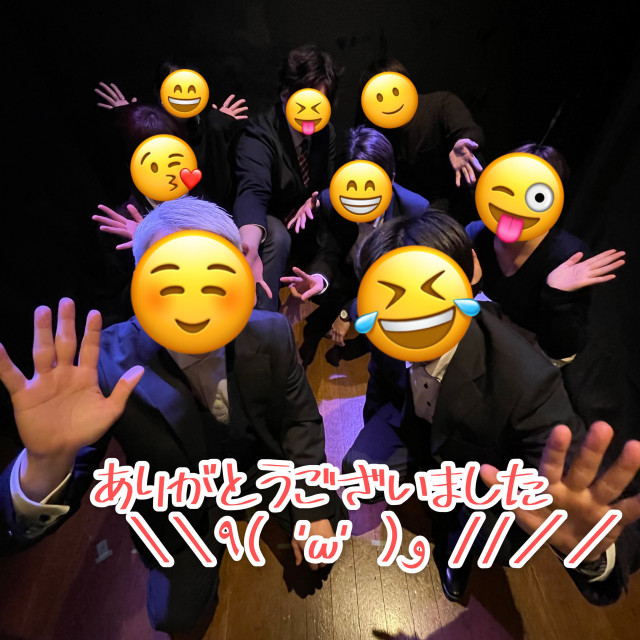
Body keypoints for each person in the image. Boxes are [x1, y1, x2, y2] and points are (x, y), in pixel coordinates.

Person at [0, 197, 344, 634]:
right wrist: (44, 467)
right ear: (141, 279)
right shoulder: (106, 363)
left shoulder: (270, 330)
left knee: (326, 534)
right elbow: (37, 503)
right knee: (174, 615)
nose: (193, 301)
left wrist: (311, 505)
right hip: (180, 498)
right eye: (171, 281)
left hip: (261, 470)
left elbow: (300, 420)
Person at [343, 212, 640, 604]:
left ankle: (457, 547)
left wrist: (590, 553)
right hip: (412, 426)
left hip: (482, 471)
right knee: (358, 471)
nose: (409, 315)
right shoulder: (380, 323)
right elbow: (381, 382)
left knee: (483, 539)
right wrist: (377, 429)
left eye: (429, 292)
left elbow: (565, 475)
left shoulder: (525, 377)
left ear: (471, 273)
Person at [281, 125, 429, 367]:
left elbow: (403, 279)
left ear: (391, 178)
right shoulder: (331, 201)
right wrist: (318, 278)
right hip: (349, 276)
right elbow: (329, 251)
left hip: (389, 287)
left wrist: (349, 312)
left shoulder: (415, 210)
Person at [232, 44, 341, 311]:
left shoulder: (325, 133)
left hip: (306, 232)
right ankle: (263, 324)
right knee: (277, 234)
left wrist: (317, 201)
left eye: (319, 104)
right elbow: (253, 194)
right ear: (285, 94)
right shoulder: (258, 136)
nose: (311, 114)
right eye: (304, 103)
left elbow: (328, 187)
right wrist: (249, 250)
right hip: (270, 229)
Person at [356, 58, 484, 222]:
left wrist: (463, 143)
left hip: (454, 198)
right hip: (411, 209)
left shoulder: (440, 105)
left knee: (474, 162)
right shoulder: (376, 130)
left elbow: (470, 131)